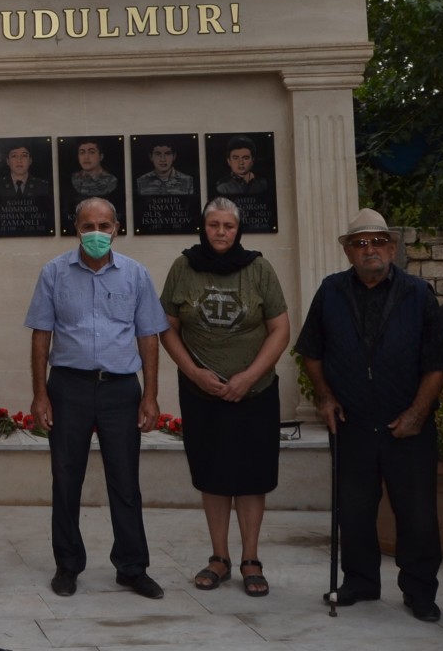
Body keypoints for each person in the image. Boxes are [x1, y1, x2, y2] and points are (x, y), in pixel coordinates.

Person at [295, 208, 443, 622]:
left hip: (408, 425)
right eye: (360, 244)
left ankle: (419, 591)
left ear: (392, 247)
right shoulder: (331, 291)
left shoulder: (417, 293)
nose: (370, 251)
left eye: (378, 242)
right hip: (353, 422)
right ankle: (360, 582)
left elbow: (438, 362)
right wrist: (325, 399)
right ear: (347, 252)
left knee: (417, 513)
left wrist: (418, 412)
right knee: (355, 509)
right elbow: (311, 351)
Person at [26, 197, 169, 599]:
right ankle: (67, 565)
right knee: (65, 479)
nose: (96, 234)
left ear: (117, 229)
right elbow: (41, 336)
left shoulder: (136, 276)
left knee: (125, 481)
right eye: (88, 226)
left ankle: (132, 567)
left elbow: (149, 337)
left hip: (121, 390)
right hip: (67, 387)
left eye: (104, 226)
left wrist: (151, 396)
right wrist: (40, 395)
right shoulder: (53, 273)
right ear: (76, 228)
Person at [158, 197, 289, 596]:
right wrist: (193, 372)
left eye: (228, 226)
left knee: (251, 477)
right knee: (213, 475)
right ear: (203, 227)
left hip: (255, 392)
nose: (220, 232)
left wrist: (249, 377)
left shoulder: (259, 268)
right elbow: (166, 326)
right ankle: (219, 558)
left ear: (238, 230)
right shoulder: (183, 266)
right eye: (213, 225)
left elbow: (280, 329)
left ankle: (250, 559)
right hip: (202, 394)